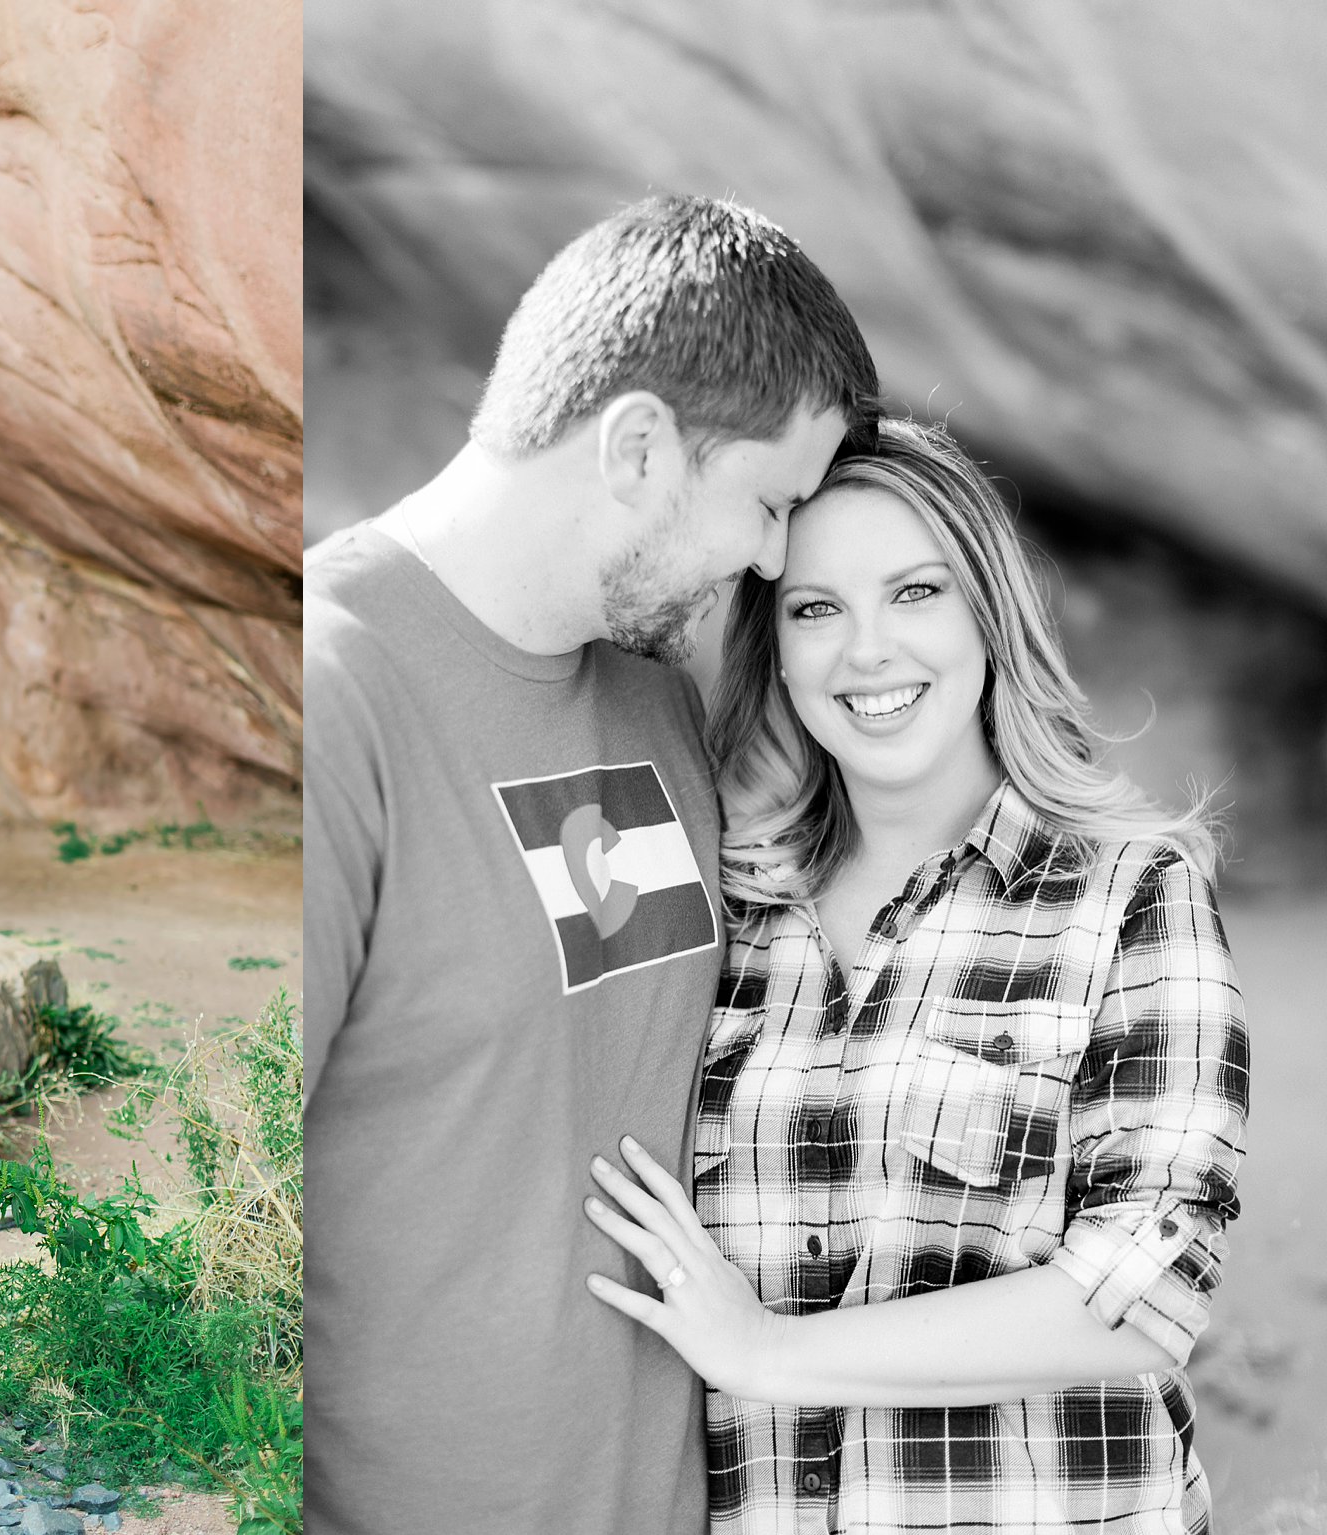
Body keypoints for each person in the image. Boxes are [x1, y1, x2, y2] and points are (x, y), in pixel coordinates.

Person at [302, 194, 881, 1532]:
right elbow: (224, 1212)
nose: (776, 556)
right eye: (769, 500)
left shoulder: (658, 698)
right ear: (636, 447)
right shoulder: (334, 692)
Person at [583, 418, 1248, 1533]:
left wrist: (768, 1350)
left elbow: (1147, 1291)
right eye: (815, 608)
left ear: (987, 611)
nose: (866, 652)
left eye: (914, 592)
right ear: (775, 643)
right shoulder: (718, 906)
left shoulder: (1131, 893)